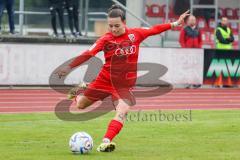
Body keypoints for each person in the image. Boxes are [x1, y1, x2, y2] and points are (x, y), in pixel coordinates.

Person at [56, 5, 189, 152]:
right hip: (104, 80)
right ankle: (81, 88)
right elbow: (88, 54)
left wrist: (175, 24)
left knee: (123, 111)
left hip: (124, 86)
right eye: (110, 26)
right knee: (80, 105)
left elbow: (154, 29)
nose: (113, 29)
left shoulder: (135, 34)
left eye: (117, 26)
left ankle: (106, 142)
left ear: (124, 22)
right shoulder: (105, 39)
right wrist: (68, 67)